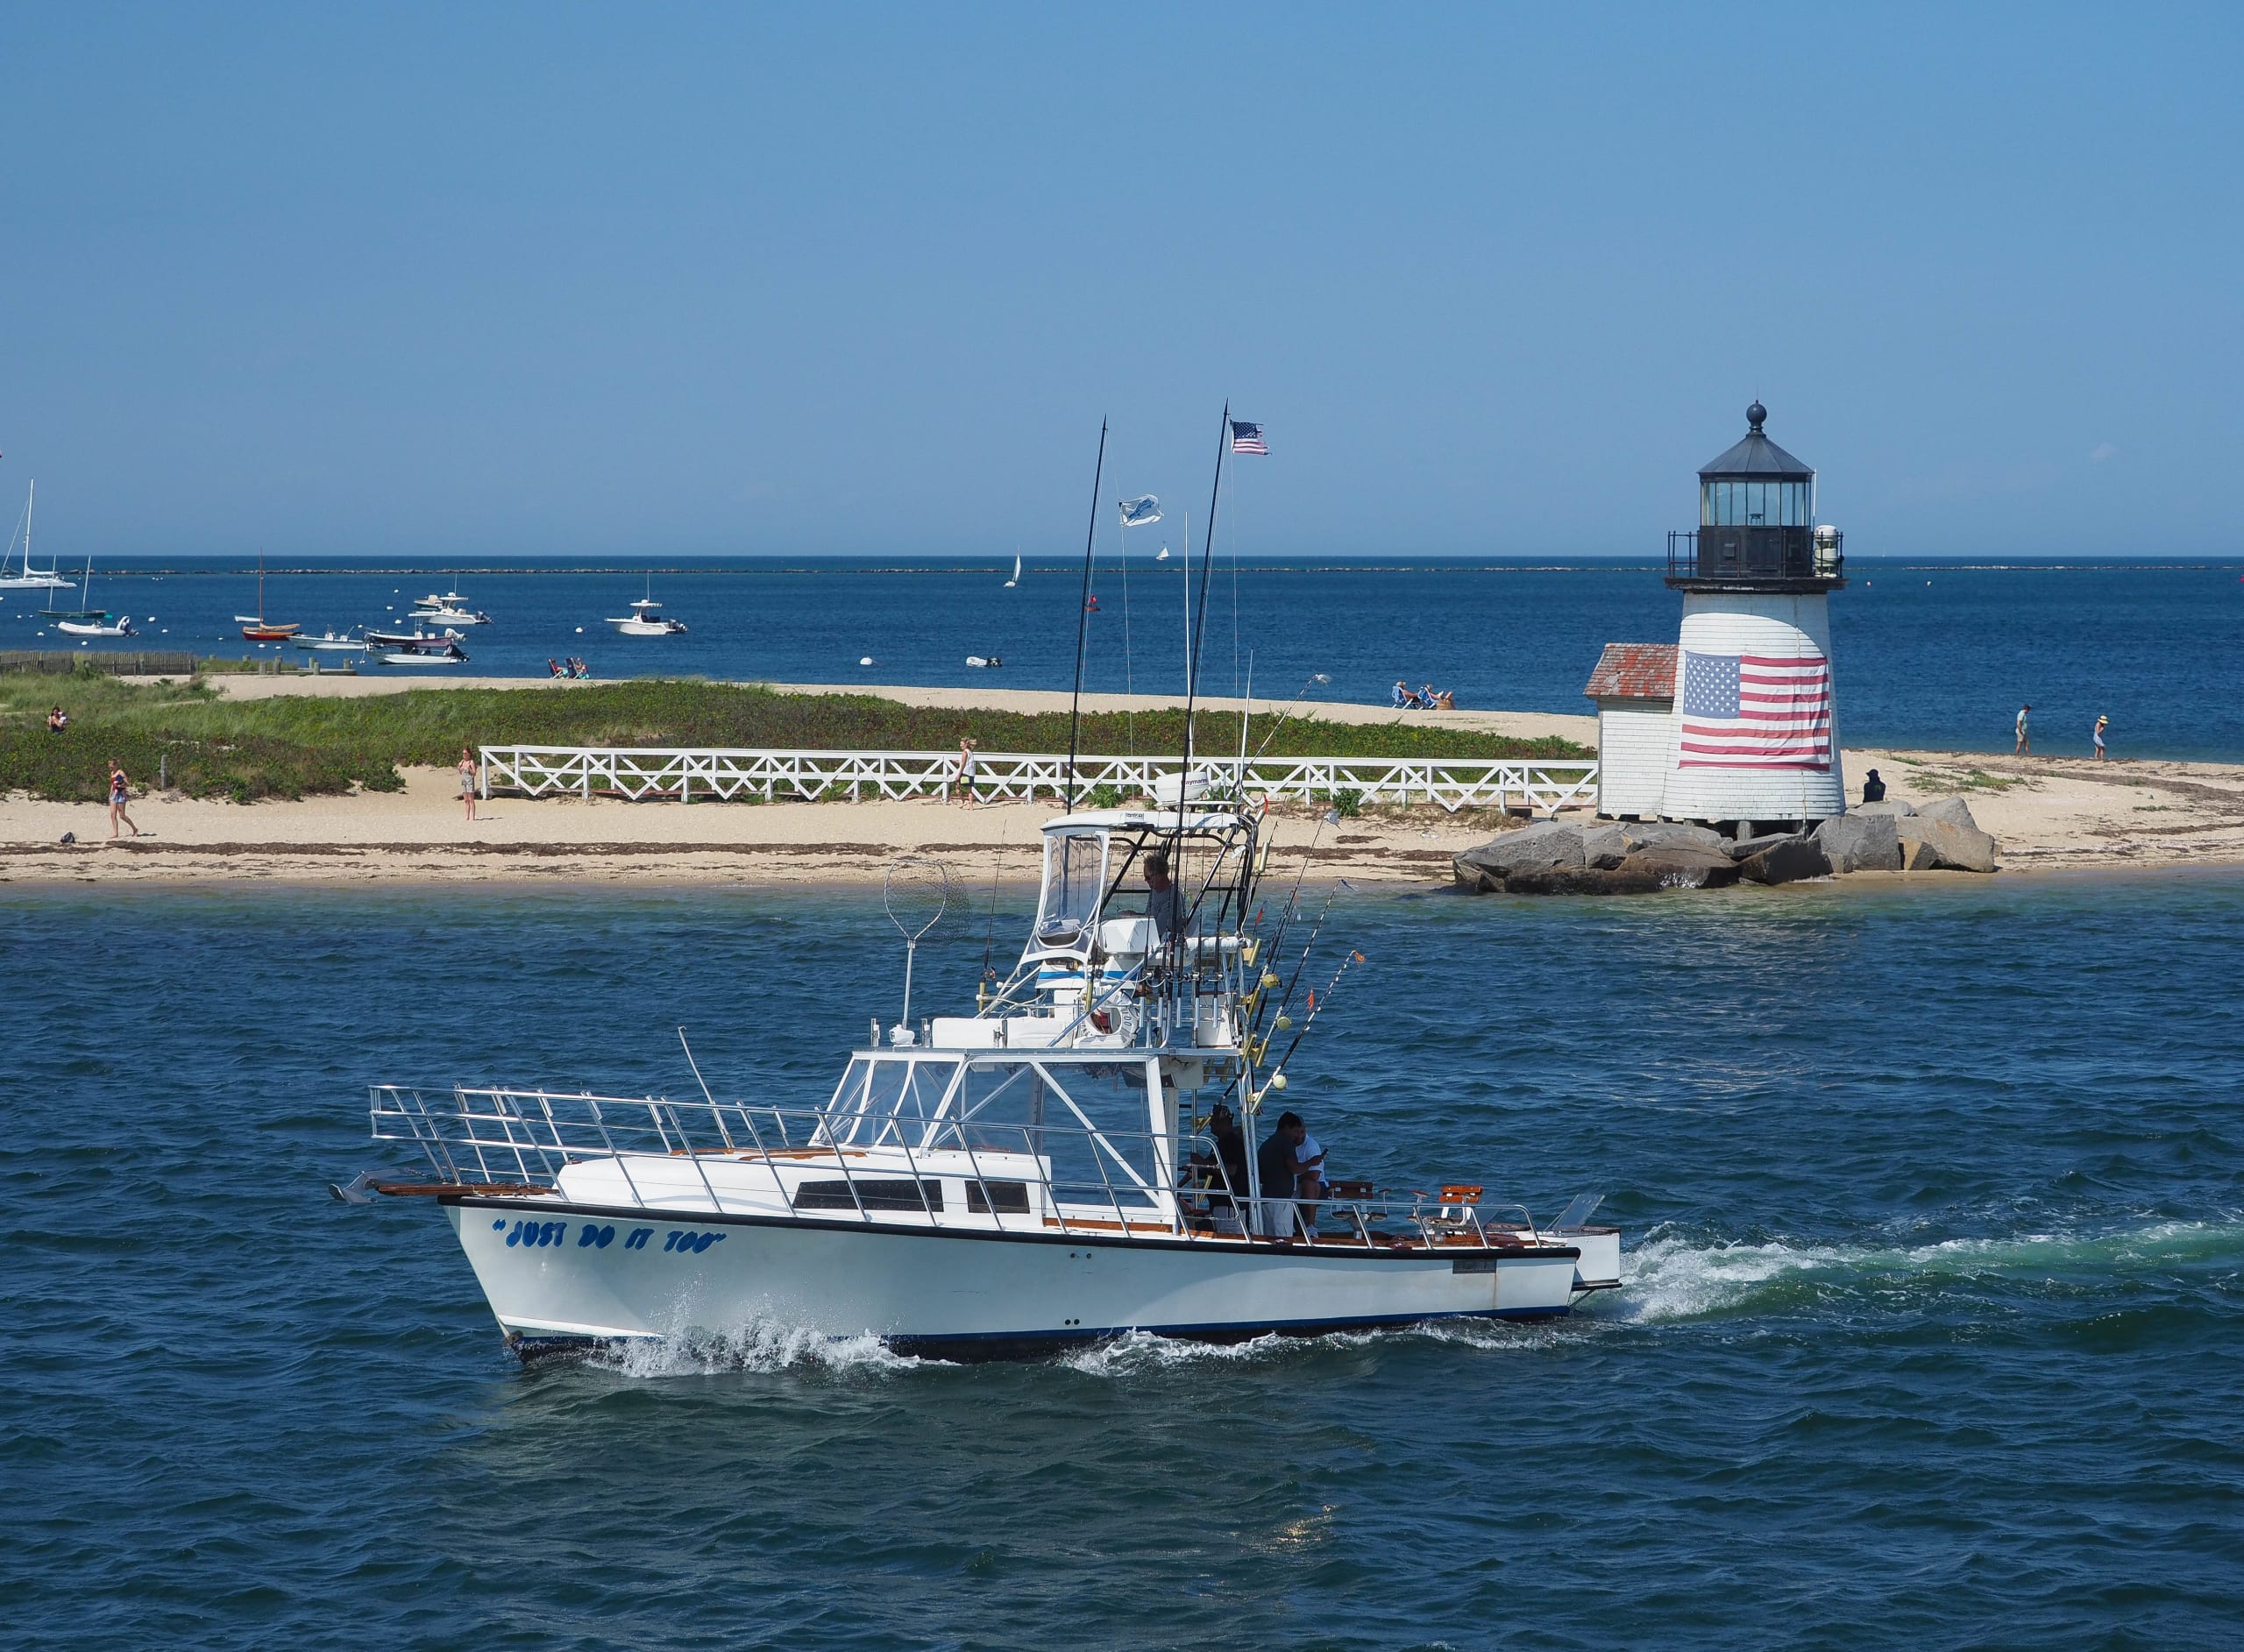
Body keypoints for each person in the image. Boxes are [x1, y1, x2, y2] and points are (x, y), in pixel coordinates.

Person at [1142, 848, 1184, 941]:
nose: (1145, 880)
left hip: (1162, 942)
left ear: (1159, 875)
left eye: (1148, 877)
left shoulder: (1174, 897)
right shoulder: (1153, 891)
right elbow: (1148, 917)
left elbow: (1160, 929)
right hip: (1148, 937)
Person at [107, 760, 138, 840]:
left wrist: (120, 786)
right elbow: (112, 785)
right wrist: (110, 794)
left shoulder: (121, 772)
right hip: (114, 795)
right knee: (112, 815)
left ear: (115, 765)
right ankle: (115, 833)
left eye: (111, 765)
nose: (109, 766)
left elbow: (127, 783)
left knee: (122, 815)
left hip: (121, 794)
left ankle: (134, 829)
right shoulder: (112, 773)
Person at [949, 736, 980, 806]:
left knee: (957, 787)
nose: (960, 746)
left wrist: (959, 774)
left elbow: (963, 764)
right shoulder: (970, 752)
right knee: (969, 790)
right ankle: (971, 806)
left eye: (961, 744)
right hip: (971, 773)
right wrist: (956, 761)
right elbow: (965, 762)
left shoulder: (964, 753)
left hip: (965, 773)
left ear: (965, 744)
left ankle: (963, 801)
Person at [458, 747, 479, 821]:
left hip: (470, 782)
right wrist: (459, 767)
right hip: (464, 782)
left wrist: (469, 768)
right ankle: (467, 816)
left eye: (465, 753)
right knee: (466, 800)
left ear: (469, 754)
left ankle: (472, 816)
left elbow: (474, 773)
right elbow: (460, 772)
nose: (464, 755)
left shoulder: (471, 762)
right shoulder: (462, 762)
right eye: (463, 753)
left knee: (471, 799)